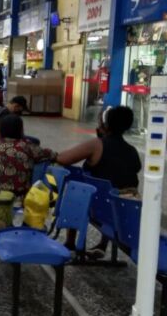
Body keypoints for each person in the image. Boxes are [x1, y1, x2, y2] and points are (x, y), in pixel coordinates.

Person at [56, 106, 142, 256]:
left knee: (78, 189)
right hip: (123, 211)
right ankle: (102, 245)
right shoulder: (132, 151)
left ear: (105, 124)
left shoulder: (97, 144)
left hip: (97, 209)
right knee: (111, 188)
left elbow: (63, 159)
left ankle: (70, 242)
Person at [0, 115, 56, 231]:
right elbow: (53, 155)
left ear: (1, 129)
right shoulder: (29, 146)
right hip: (18, 201)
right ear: (20, 130)